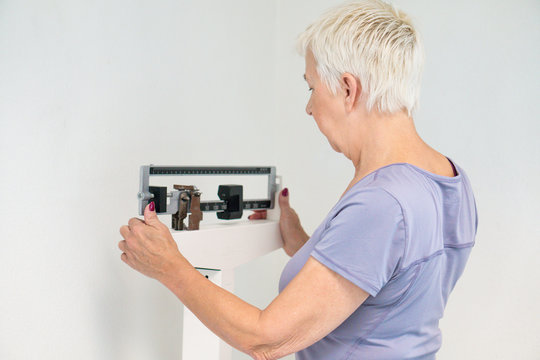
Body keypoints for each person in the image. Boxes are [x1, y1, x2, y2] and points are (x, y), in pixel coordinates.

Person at [118, 1, 478, 359]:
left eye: (312, 88)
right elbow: (391, 288)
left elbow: (266, 340)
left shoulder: (383, 203)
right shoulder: (449, 178)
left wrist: (170, 267)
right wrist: (302, 244)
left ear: (348, 89)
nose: (309, 107)